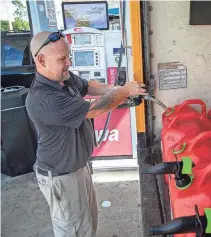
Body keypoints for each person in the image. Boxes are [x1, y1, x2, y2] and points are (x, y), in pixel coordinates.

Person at [26, 31, 147, 237]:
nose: (69, 63)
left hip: (78, 168)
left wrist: (119, 88)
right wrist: (125, 91)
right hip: (62, 177)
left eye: (69, 55)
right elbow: (95, 109)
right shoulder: (44, 99)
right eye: (62, 59)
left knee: (87, 225)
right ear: (41, 60)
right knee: (74, 231)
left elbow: (90, 86)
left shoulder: (63, 79)